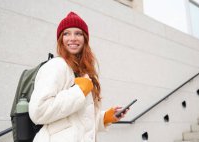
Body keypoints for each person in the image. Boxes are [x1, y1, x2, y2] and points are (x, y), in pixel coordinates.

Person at [28, 11, 129, 142]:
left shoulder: (83, 71)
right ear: (60, 39)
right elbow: (39, 112)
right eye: (66, 33)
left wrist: (105, 118)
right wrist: (79, 91)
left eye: (78, 33)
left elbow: (78, 121)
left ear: (85, 39)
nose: (73, 38)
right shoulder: (56, 65)